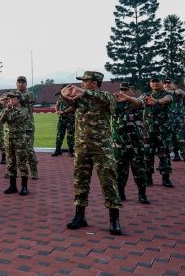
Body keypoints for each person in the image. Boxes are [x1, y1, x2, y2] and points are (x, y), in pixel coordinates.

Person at [61, 71, 121, 235]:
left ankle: (114, 219)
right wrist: (64, 93)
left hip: (102, 148)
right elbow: (68, 100)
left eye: (85, 81)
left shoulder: (105, 96)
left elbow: (108, 100)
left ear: (94, 83)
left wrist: (84, 92)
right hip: (82, 147)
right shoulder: (80, 99)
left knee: (108, 181)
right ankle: (80, 216)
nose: (82, 84)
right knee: (80, 181)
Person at [112, 82, 150, 204]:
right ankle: (120, 192)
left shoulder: (137, 102)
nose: (122, 92)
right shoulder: (114, 103)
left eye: (126, 90)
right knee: (119, 170)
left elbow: (140, 103)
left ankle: (142, 194)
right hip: (119, 144)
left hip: (136, 144)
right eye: (121, 90)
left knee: (139, 170)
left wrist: (127, 98)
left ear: (132, 91)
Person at [0, 91, 31, 196]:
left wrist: (9, 111)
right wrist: (6, 111)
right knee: (11, 162)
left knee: (22, 162)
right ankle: (12, 185)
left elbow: (17, 118)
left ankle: (24, 186)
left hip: (20, 139)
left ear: (18, 99)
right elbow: (1, 121)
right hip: (9, 138)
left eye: (13, 98)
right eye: (9, 98)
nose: (10, 100)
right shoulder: (6, 109)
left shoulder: (24, 110)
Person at [141, 75, 175, 187]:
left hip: (163, 131)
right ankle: (148, 178)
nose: (155, 84)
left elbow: (167, 100)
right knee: (147, 155)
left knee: (164, 154)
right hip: (148, 131)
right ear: (150, 84)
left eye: (157, 82)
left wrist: (156, 101)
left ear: (161, 83)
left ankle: (166, 178)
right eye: (153, 82)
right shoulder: (145, 95)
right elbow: (139, 102)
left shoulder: (167, 94)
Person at [163, 78, 185, 172]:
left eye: (169, 83)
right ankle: (171, 159)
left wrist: (165, 90)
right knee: (167, 142)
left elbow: (179, 93)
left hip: (178, 122)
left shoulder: (179, 92)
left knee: (182, 141)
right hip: (165, 122)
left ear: (175, 85)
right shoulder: (162, 95)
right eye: (165, 83)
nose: (166, 84)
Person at [16, 76, 39, 179]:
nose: (21, 84)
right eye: (19, 82)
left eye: (23, 82)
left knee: (29, 149)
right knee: (15, 151)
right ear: (16, 84)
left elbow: (26, 98)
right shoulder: (12, 94)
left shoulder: (30, 94)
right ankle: (13, 171)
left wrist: (12, 98)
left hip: (27, 127)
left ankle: (34, 171)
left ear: (26, 84)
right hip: (15, 127)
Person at [53, 86, 75, 157]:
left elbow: (73, 107)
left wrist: (64, 112)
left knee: (70, 135)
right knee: (59, 135)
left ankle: (71, 150)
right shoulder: (60, 97)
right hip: (61, 119)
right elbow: (57, 105)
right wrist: (57, 111)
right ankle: (58, 150)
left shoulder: (72, 97)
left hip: (70, 119)